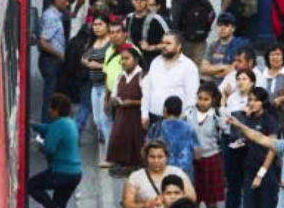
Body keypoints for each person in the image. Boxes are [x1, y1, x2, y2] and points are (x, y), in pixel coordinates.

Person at [222, 88, 279, 208]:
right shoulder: (247, 118)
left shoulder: (269, 120)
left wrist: (262, 173)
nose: (251, 103)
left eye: (255, 100)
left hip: (266, 171)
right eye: (249, 100)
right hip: (249, 168)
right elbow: (241, 133)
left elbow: (273, 147)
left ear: (263, 102)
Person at [28, 93, 82, 208]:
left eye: (50, 108)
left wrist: (39, 145)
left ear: (56, 110)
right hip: (75, 174)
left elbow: (49, 148)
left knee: (32, 185)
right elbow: (47, 129)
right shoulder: (69, 122)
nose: (48, 111)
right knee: (61, 206)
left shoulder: (58, 124)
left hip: (61, 172)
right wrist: (32, 125)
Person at [185, 82, 225, 208]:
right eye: (200, 98)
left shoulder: (217, 116)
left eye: (206, 99)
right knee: (193, 200)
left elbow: (224, 133)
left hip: (211, 160)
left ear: (213, 100)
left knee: (211, 202)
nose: (202, 102)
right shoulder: (187, 113)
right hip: (193, 161)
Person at [219, 69, 257, 208]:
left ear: (252, 82)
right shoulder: (232, 97)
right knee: (232, 177)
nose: (241, 81)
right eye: (238, 78)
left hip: (248, 142)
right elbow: (225, 117)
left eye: (244, 78)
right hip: (230, 139)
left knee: (248, 179)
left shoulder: (255, 98)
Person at [120, 139, 196, 208]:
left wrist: (172, 199)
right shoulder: (136, 177)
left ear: (166, 157)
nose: (156, 161)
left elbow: (191, 198)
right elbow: (127, 205)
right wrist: (145, 205)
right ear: (146, 158)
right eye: (152, 157)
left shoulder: (177, 172)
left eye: (160, 157)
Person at [141, 32, 200, 129]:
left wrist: (183, 120)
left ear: (179, 46)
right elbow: (147, 90)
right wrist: (144, 113)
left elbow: (192, 97)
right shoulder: (155, 62)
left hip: (177, 120)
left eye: (168, 43)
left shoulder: (189, 66)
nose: (164, 46)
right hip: (154, 118)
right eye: (163, 43)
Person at [105, 44, 145, 175]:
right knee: (119, 136)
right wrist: (113, 100)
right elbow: (114, 95)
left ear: (136, 60)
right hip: (122, 113)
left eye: (127, 58)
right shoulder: (120, 76)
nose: (123, 62)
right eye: (121, 59)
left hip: (135, 114)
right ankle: (120, 163)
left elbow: (147, 99)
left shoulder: (142, 76)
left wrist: (132, 102)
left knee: (133, 138)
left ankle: (133, 165)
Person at [170, 0, 216, 64]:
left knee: (183, 70)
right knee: (198, 70)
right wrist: (205, 27)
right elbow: (212, 14)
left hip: (183, 40)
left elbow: (175, 22)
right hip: (200, 40)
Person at [148, 96, 200, 180]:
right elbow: (197, 153)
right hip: (184, 172)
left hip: (161, 171)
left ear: (165, 109)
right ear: (180, 111)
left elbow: (147, 148)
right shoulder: (189, 128)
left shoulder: (156, 128)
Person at [38, 0, 70, 122]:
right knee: (50, 97)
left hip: (53, 60)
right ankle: (45, 128)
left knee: (55, 95)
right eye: (65, 0)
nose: (67, 4)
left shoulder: (56, 15)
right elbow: (43, 42)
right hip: (51, 61)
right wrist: (59, 55)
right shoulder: (51, 17)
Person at [81, 15, 112, 145]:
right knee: (97, 120)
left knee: (105, 120)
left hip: (106, 86)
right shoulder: (93, 42)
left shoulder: (111, 43)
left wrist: (98, 65)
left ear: (107, 26)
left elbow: (116, 65)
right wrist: (87, 62)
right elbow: (84, 57)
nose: (97, 27)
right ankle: (104, 150)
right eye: (95, 25)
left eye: (100, 24)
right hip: (94, 86)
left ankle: (109, 152)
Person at [200, 13, 250, 85]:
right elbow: (203, 69)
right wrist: (224, 67)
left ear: (233, 28)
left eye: (226, 25)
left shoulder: (239, 45)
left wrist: (212, 70)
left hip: (232, 84)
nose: (222, 28)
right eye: (220, 25)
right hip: (213, 86)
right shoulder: (213, 45)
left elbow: (232, 71)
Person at [124, 0, 169, 64]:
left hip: (155, 63)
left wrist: (151, 47)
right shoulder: (129, 18)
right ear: (131, 0)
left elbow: (171, 42)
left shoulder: (157, 19)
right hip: (135, 64)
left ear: (148, 1)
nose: (139, 2)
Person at [260, 44, 284, 114]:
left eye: (278, 54)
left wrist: (282, 99)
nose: (275, 57)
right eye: (272, 55)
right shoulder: (261, 74)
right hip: (263, 113)